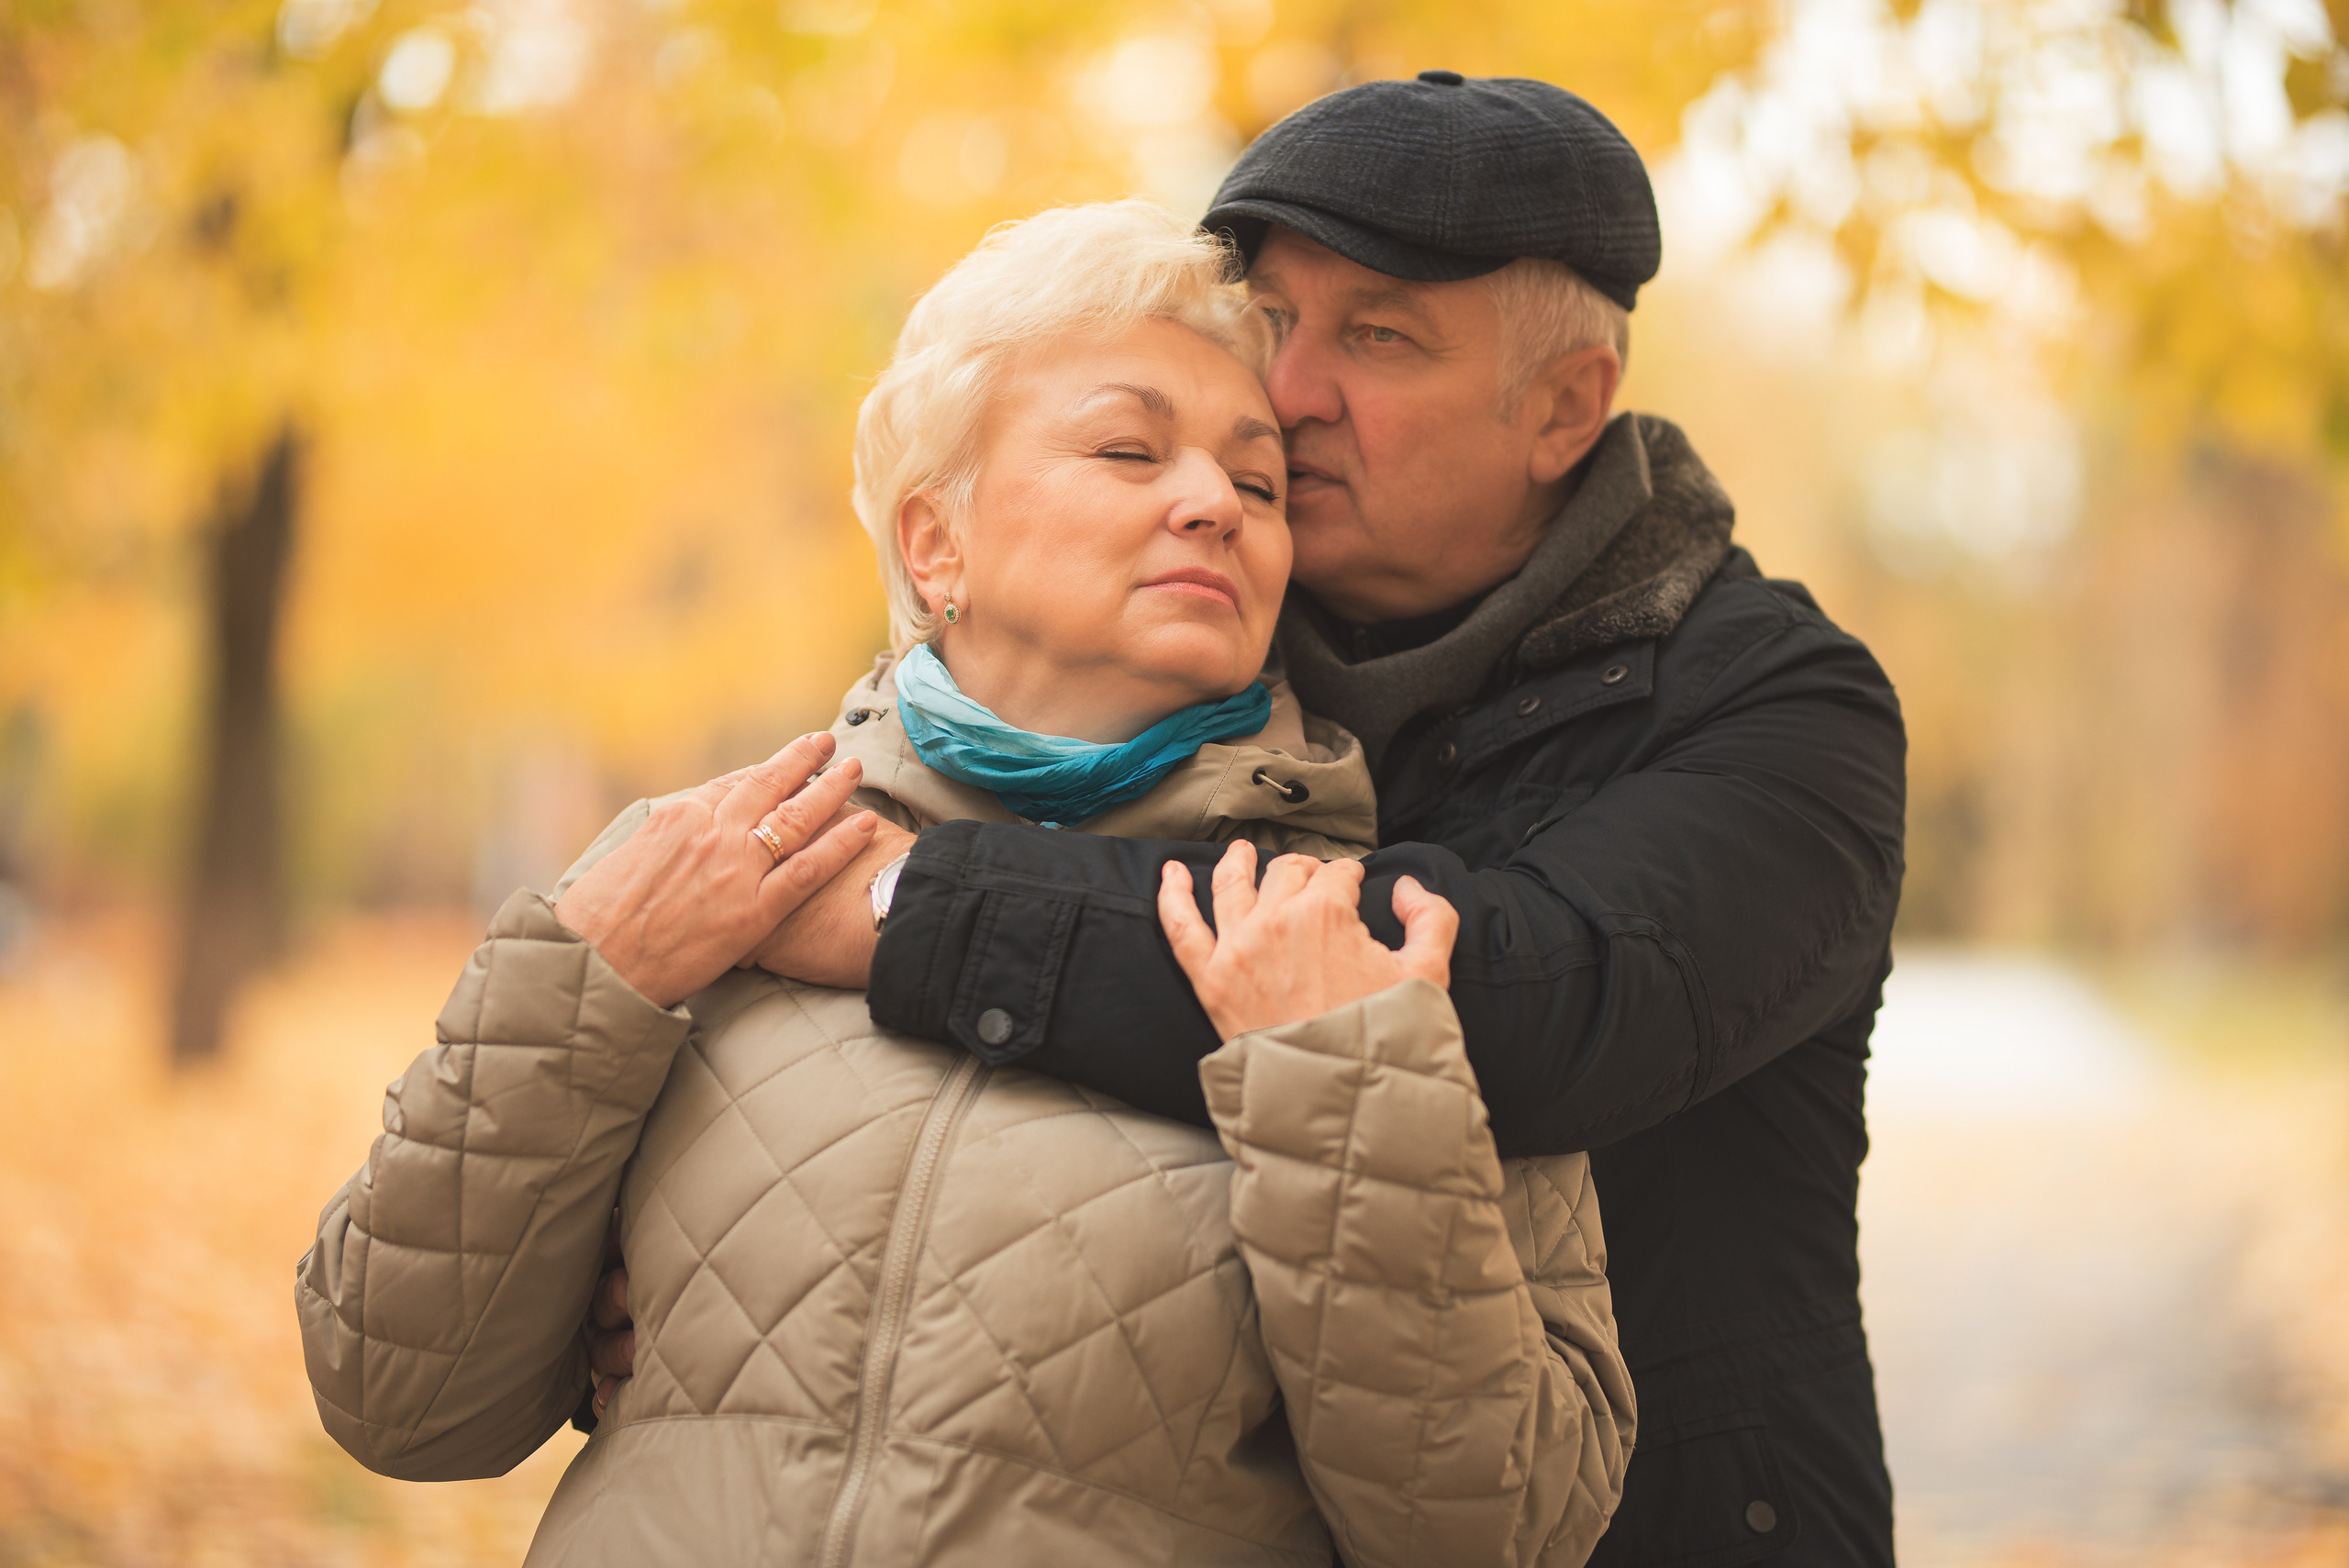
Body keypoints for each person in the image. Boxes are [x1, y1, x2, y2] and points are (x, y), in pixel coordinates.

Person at [683, 74, 1908, 1566]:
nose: (1291, 388)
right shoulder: (1186, 636)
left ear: (1565, 407)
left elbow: (1517, 1002)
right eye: (1270, 320)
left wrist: (907, 910)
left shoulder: (1780, 709)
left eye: (1379, 335)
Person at [298, 202, 1635, 1567]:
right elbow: (396, 1398)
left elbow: (1507, 1527)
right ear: (936, 544)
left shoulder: (1366, 942)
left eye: (1259, 484)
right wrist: (583, 984)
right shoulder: (703, 869)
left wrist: (1350, 1085)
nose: (1210, 504)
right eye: (1128, 447)